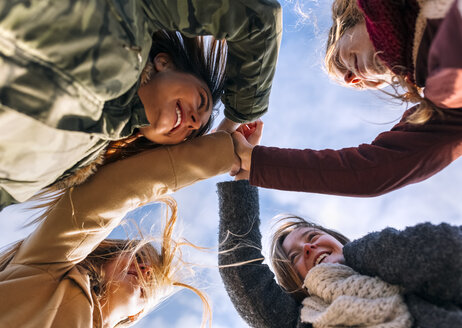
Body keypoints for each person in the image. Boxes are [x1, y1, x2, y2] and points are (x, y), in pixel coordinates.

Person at [0, 0, 282, 209]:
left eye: (191, 133)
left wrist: (217, 150)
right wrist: (233, 121)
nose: (194, 122)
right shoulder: (134, 18)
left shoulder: (76, 164)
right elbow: (260, 22)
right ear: (164, 62)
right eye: (201, 100)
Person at [0, 131, 235, 327]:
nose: (145, 270)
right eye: (139, 256)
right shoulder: (48, 265)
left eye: (154, 282)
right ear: (107, 258)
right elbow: (114, 191)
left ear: (137, 314)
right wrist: (227, 152)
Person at [232, 0, 462, 197]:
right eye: (362, 84)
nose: (353, 79)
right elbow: (371, 171)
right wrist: (256, 162)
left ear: (354, 15)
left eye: (341, 63)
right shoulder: (445, 102)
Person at [217, 180, 462, 328]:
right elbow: (240, 269)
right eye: (294, 257)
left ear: (336, 239)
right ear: (296, 282)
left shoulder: (384, 260)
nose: (308, 248)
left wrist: (359, 253)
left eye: (312, 237)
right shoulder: (300, 321)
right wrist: (242, 175)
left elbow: (449, 251)